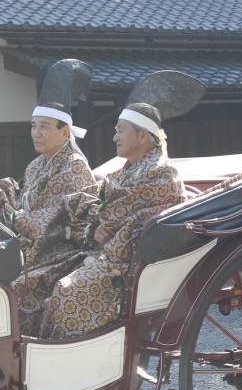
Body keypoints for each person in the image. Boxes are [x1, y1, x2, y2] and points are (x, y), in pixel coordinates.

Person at [38, 102, 185, 339]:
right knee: (42, 278)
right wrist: (97, 223)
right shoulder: (122, 172)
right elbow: (102, 205)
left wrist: (107, 224)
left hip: (126, 261)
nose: (115, 137)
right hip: (101, 252)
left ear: (142, 136)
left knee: (66, 293)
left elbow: (148, 216)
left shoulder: (162, 173)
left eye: (121, 130)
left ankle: (74, 357)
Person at [0, 59, 98, 336]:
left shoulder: (74, 165)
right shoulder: (36, 165)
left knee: (15, 285)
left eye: (44, 127)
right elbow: (25, 207)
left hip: (64, 251)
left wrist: (17, 217)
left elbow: (64, 223)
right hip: (32, 245)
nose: (36, 133)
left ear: (65, 131)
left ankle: (25, 348)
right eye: (33, 125)